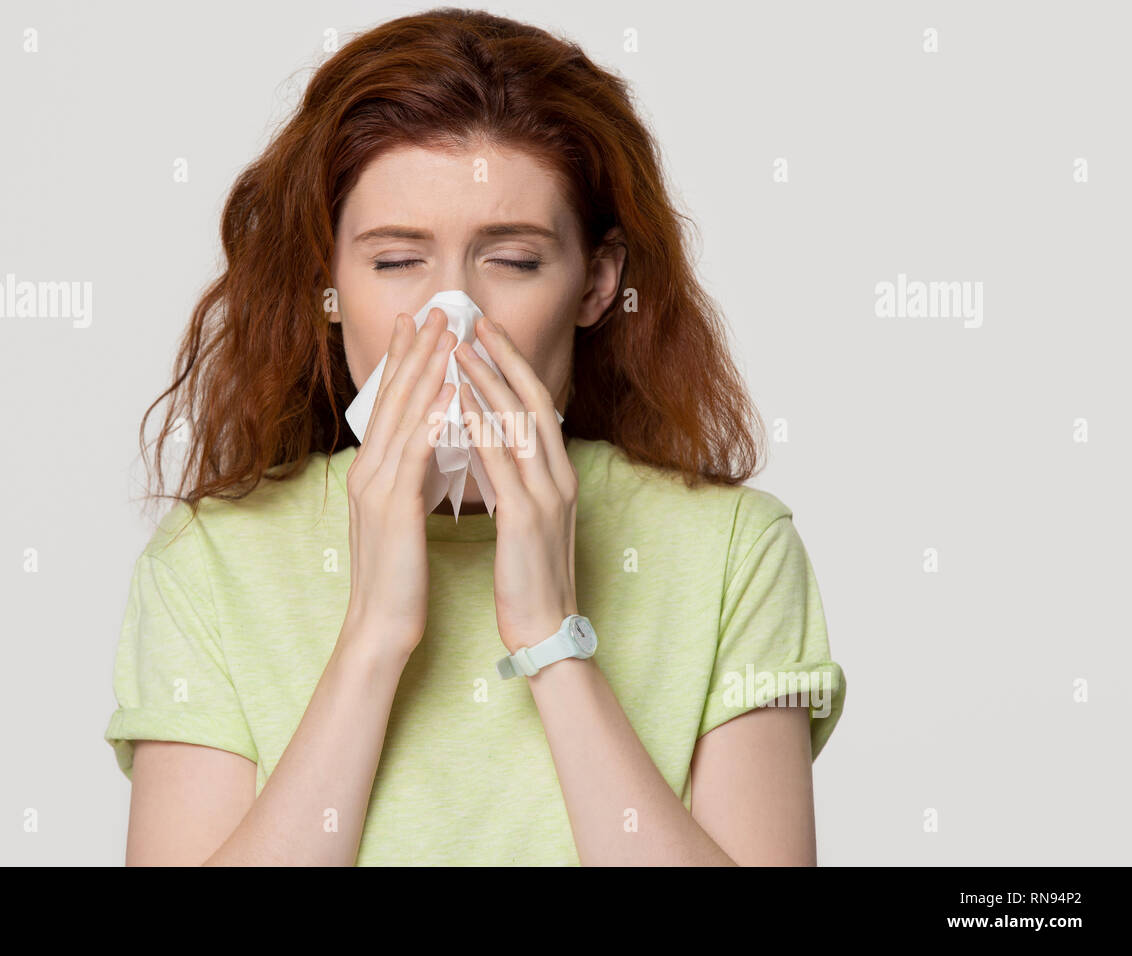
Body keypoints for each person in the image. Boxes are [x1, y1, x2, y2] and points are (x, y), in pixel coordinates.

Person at [104, 7, 846, 866]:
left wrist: (551, 637)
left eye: (514, 260)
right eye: (394, 262)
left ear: (597, 284)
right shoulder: (209, 564)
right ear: (328, 283)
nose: (450, 321)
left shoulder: (732, 555)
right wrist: (375, 634)